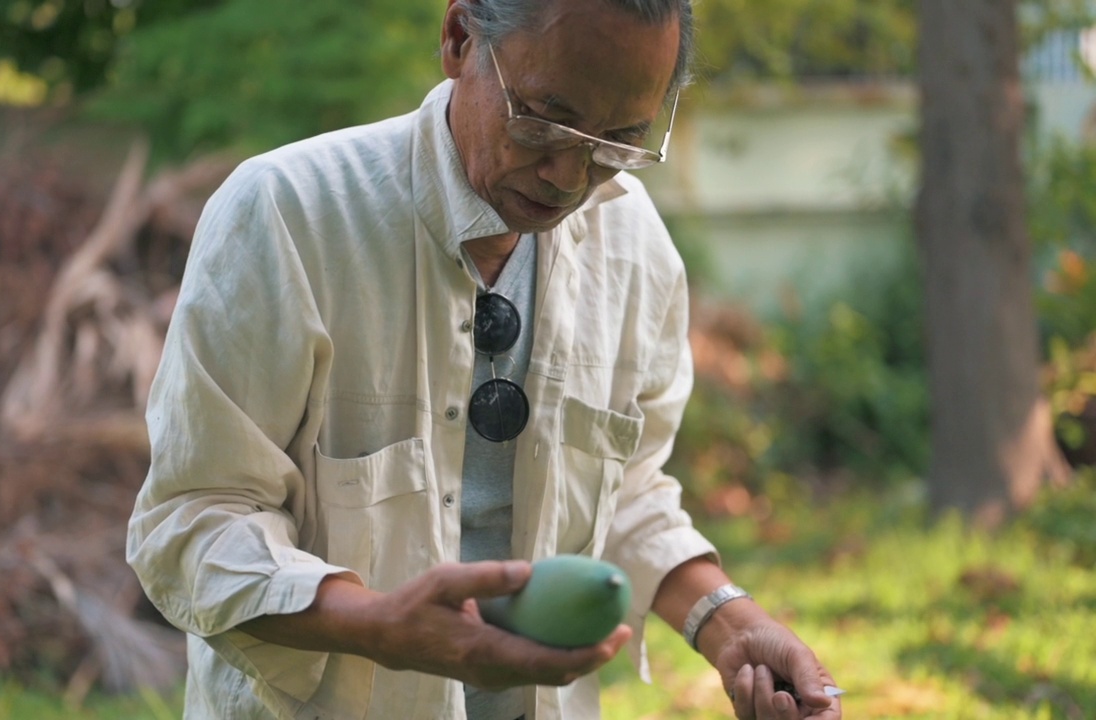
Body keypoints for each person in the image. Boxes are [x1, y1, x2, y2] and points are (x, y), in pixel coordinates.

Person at [126, 0, 842, 718]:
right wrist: (376, 627)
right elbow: (196, 518)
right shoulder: (290, 217)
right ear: (460, 39)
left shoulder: (634, 249)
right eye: (542, 122)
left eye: (618, 140)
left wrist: (731, 624)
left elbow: (624, 493)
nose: (568, 175)